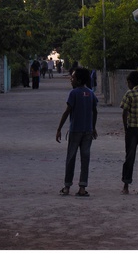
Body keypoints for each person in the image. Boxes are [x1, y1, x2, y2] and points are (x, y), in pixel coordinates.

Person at [56, 66, 98, 197]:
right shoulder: (91, 93)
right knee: (85, 158)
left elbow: (67, 112)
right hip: (88, 131)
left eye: (73, 78)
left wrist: (59, 129)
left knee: (71, 158)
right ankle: (82, 187)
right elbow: (95, 111)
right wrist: (93, 126)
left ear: (79, 81)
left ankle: (67, 186)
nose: (71, 79)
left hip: (75, 131)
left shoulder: (73, 94)